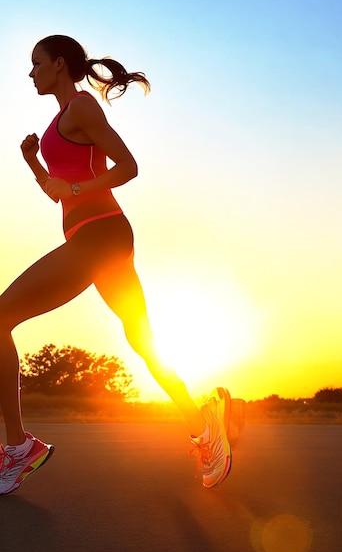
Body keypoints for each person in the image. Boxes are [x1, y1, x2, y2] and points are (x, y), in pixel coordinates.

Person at [0, 35, 232, 495]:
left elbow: (127, 166)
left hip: (100, 235)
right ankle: (203, 425)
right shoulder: (56, 124)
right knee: (141, 339)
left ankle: (17, 447)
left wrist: (81, 191)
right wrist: (33, 164)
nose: (30, 72)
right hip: (95, 236)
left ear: (59, 65)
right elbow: (59, 193)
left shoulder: (82, 108)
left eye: (36, 63)